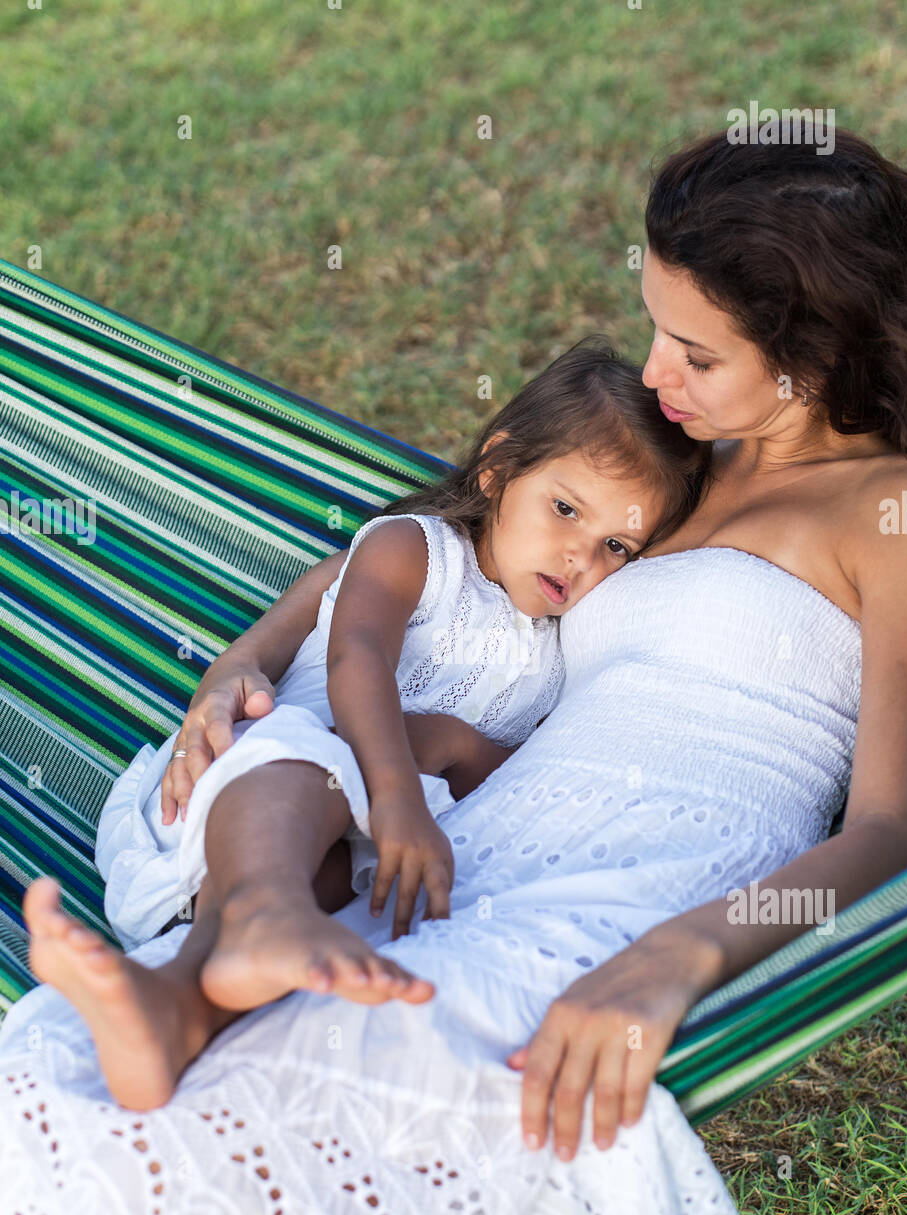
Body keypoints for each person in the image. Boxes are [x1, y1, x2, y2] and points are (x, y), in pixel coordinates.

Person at [2, 126, 907, 1215]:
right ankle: (171, 1000)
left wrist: (684, 951)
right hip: (477, 838)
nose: (656, 376)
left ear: (809, 355)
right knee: (87, 1073)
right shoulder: (671, 471)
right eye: (655, 328)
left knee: (318, 1087)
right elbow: (433, 554)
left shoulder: (897, 511)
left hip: (656, 875)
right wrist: (243, 672)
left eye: (695, 353)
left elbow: (894, 822)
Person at [25, 339, 710, 1109]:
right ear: (498, 470)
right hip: (245, 804)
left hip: (348, 862)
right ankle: (259, 919)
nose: (578, 555)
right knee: (301, 758)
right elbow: (357, 656)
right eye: (564, 509)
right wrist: (395, 794)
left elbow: (519, 776)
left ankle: (171, 1012)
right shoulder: (413, 551)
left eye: (615, 545)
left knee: (317, 899)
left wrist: (455, 745)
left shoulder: (564, 652)